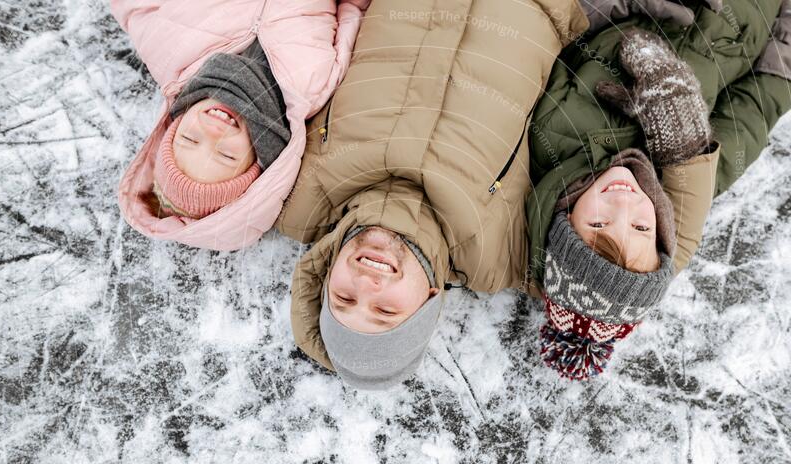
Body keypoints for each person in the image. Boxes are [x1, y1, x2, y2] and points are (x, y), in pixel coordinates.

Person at [277, 0, 710, 388]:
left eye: (345, 298)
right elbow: (636, 270)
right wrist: (685, 141)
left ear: (325, 278)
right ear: (427, 303)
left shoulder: (295, 198)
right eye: (385, 311)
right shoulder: (494, 256)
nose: (368, 285)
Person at [526, 0, 791, 379]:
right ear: (662, 236)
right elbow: (761, 103)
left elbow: (560, 31)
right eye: (640, 228)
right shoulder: (709, 168)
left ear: (564, 222)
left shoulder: (549, 136)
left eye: (599, 225)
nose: (623, 203)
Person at [111, 0, 369, 250]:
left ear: (175, 124)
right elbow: (353, 13)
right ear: (261, 154)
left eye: (189, 139)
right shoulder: (314, 90)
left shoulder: (167, 52)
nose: (212, 132)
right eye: (226, 154)